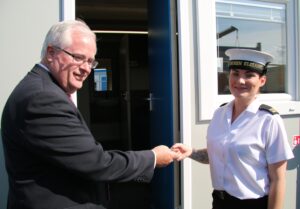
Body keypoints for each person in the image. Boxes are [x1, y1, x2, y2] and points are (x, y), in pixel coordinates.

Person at [1, 19, 178, 209]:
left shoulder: (45, 89)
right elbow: (97, 163)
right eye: (78, 57)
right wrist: (152, 158)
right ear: (51, 53)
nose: (86, 68)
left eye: (90, 61)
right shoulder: (43, 98)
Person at [172, 48, 294, 209]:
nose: (240, 81)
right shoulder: (219, 114)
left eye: (249, 75)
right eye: (235, 73)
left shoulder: (269, 120)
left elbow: (278, 179)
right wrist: (191, 152)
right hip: (220, 201)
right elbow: (220, 154)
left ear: (262, 81)